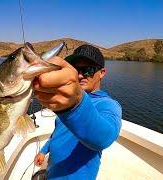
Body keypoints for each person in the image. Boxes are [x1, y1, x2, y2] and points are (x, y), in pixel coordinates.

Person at [33, 44, 122, 179]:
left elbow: (103, 139)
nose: (80, 75)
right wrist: (44, 150)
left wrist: (75, 103)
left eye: (87, 70)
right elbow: (58, 133)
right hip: (52, 172)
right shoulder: (65, 102)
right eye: (76, 69)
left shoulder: (108, 105)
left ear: (102, 73)